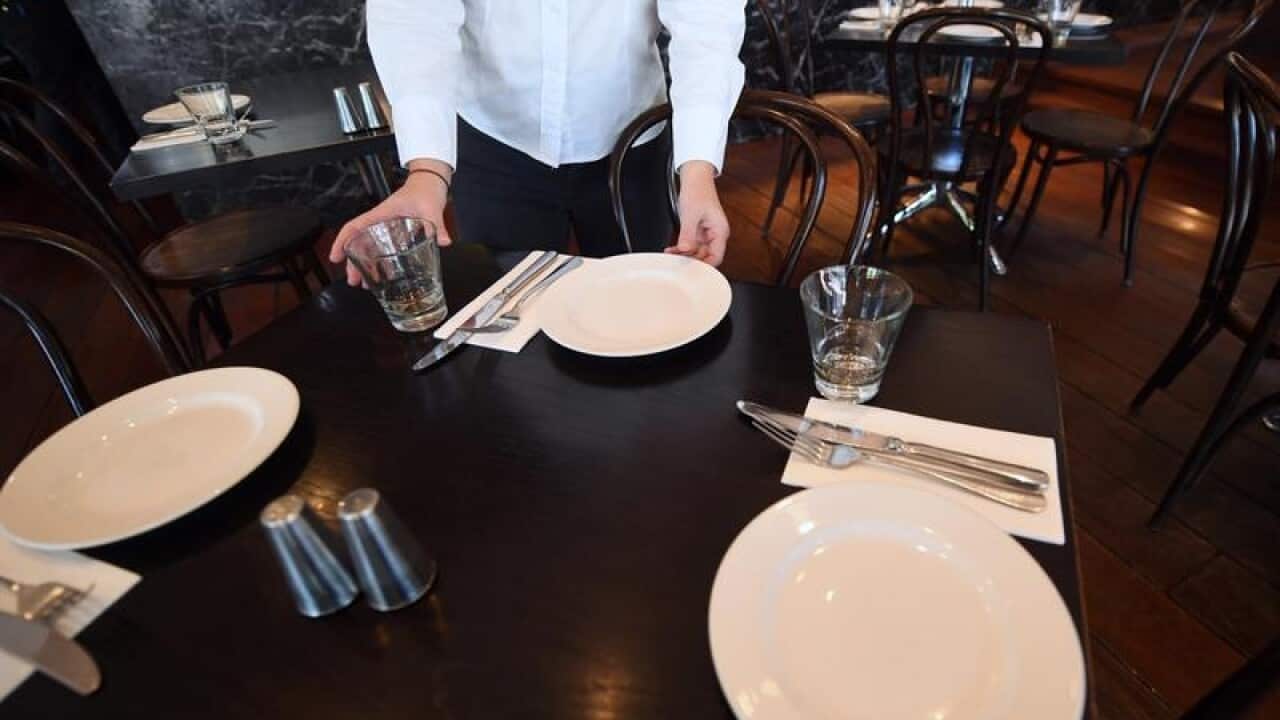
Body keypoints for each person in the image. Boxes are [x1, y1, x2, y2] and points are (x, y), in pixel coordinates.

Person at [330, 1, 747, 282]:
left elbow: (706, 27)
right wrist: (426, 173)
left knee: (643, 312)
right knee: (505, 325)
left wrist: (696, 171)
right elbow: (415, 20)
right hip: (495, 136)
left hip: (630, 141)